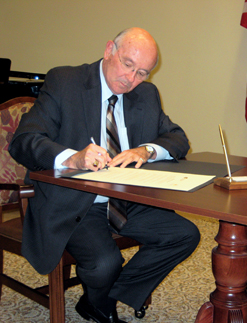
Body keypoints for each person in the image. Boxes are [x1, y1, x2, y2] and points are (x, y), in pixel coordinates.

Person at [9, 27, 200, 323]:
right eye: (127, 64)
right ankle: (102, 301)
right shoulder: (65, 82)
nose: (131, 79)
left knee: (185, 235)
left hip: (127, 199)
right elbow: (24, 139)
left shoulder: (145, 94)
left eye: (142, 72)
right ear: (109, 49)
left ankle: (98, 301)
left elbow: (177, 139)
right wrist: (71, 158)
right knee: (104, 264)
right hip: (77, 200)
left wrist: (146, 151)